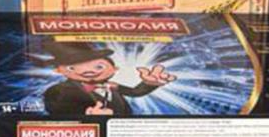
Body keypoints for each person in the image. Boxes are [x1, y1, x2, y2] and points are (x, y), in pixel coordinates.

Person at [38, 41, 176, 117]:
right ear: (59, 71)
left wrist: (149, 83)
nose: (88, 71)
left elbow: (134, 92)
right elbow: (55, 107)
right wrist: (85, 115)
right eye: (72, 68)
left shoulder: (111, 85)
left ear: (114, 68)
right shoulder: (60, 90)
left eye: (99, 66)